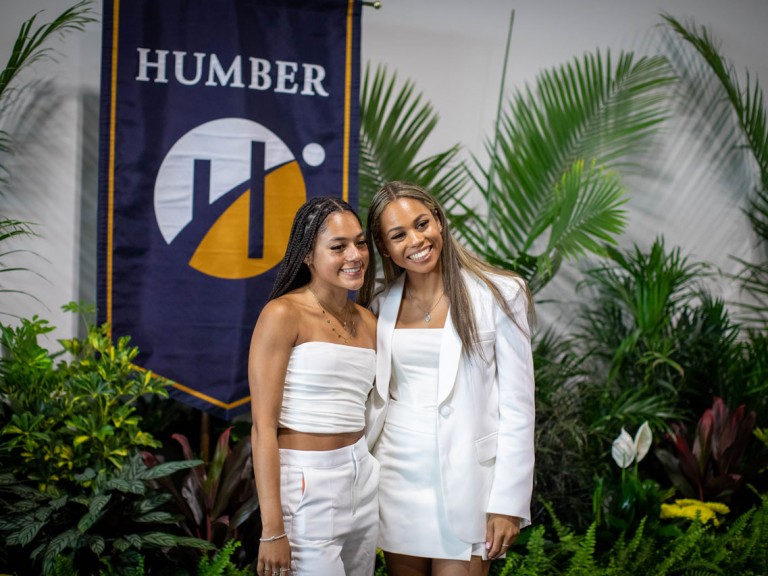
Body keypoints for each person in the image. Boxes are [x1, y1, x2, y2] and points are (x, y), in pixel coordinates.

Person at [359, 181, 536, 576]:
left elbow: (519, 408)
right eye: (398, 235)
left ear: (439, 221)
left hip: (469, 485)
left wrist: (508, 503)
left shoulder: (500, 293)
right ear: (385, 248)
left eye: (422, 224)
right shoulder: (378, 306)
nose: (416, 240)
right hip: (396, 481)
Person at [248, 196, 379, 576]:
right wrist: (272, 529)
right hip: (306, 483)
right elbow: (263, 428)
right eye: (338, 247)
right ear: (307, 256)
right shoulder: (282, 314)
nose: (354, 254)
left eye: (359, 242)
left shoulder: (369, 321)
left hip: (362, 479)